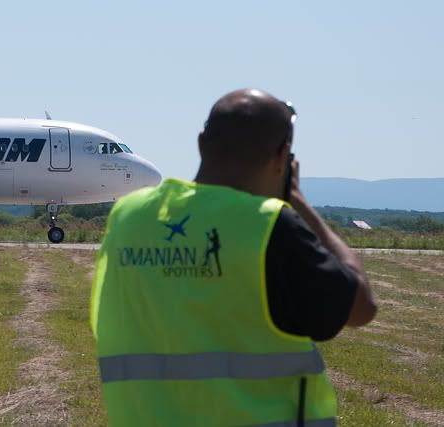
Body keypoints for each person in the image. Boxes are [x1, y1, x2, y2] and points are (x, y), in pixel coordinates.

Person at [90, 88, 377, 426]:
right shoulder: (267, 223)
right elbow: (360, 308)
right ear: (283, 156)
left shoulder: (128, 216)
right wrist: (297, 201)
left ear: (200, 142)